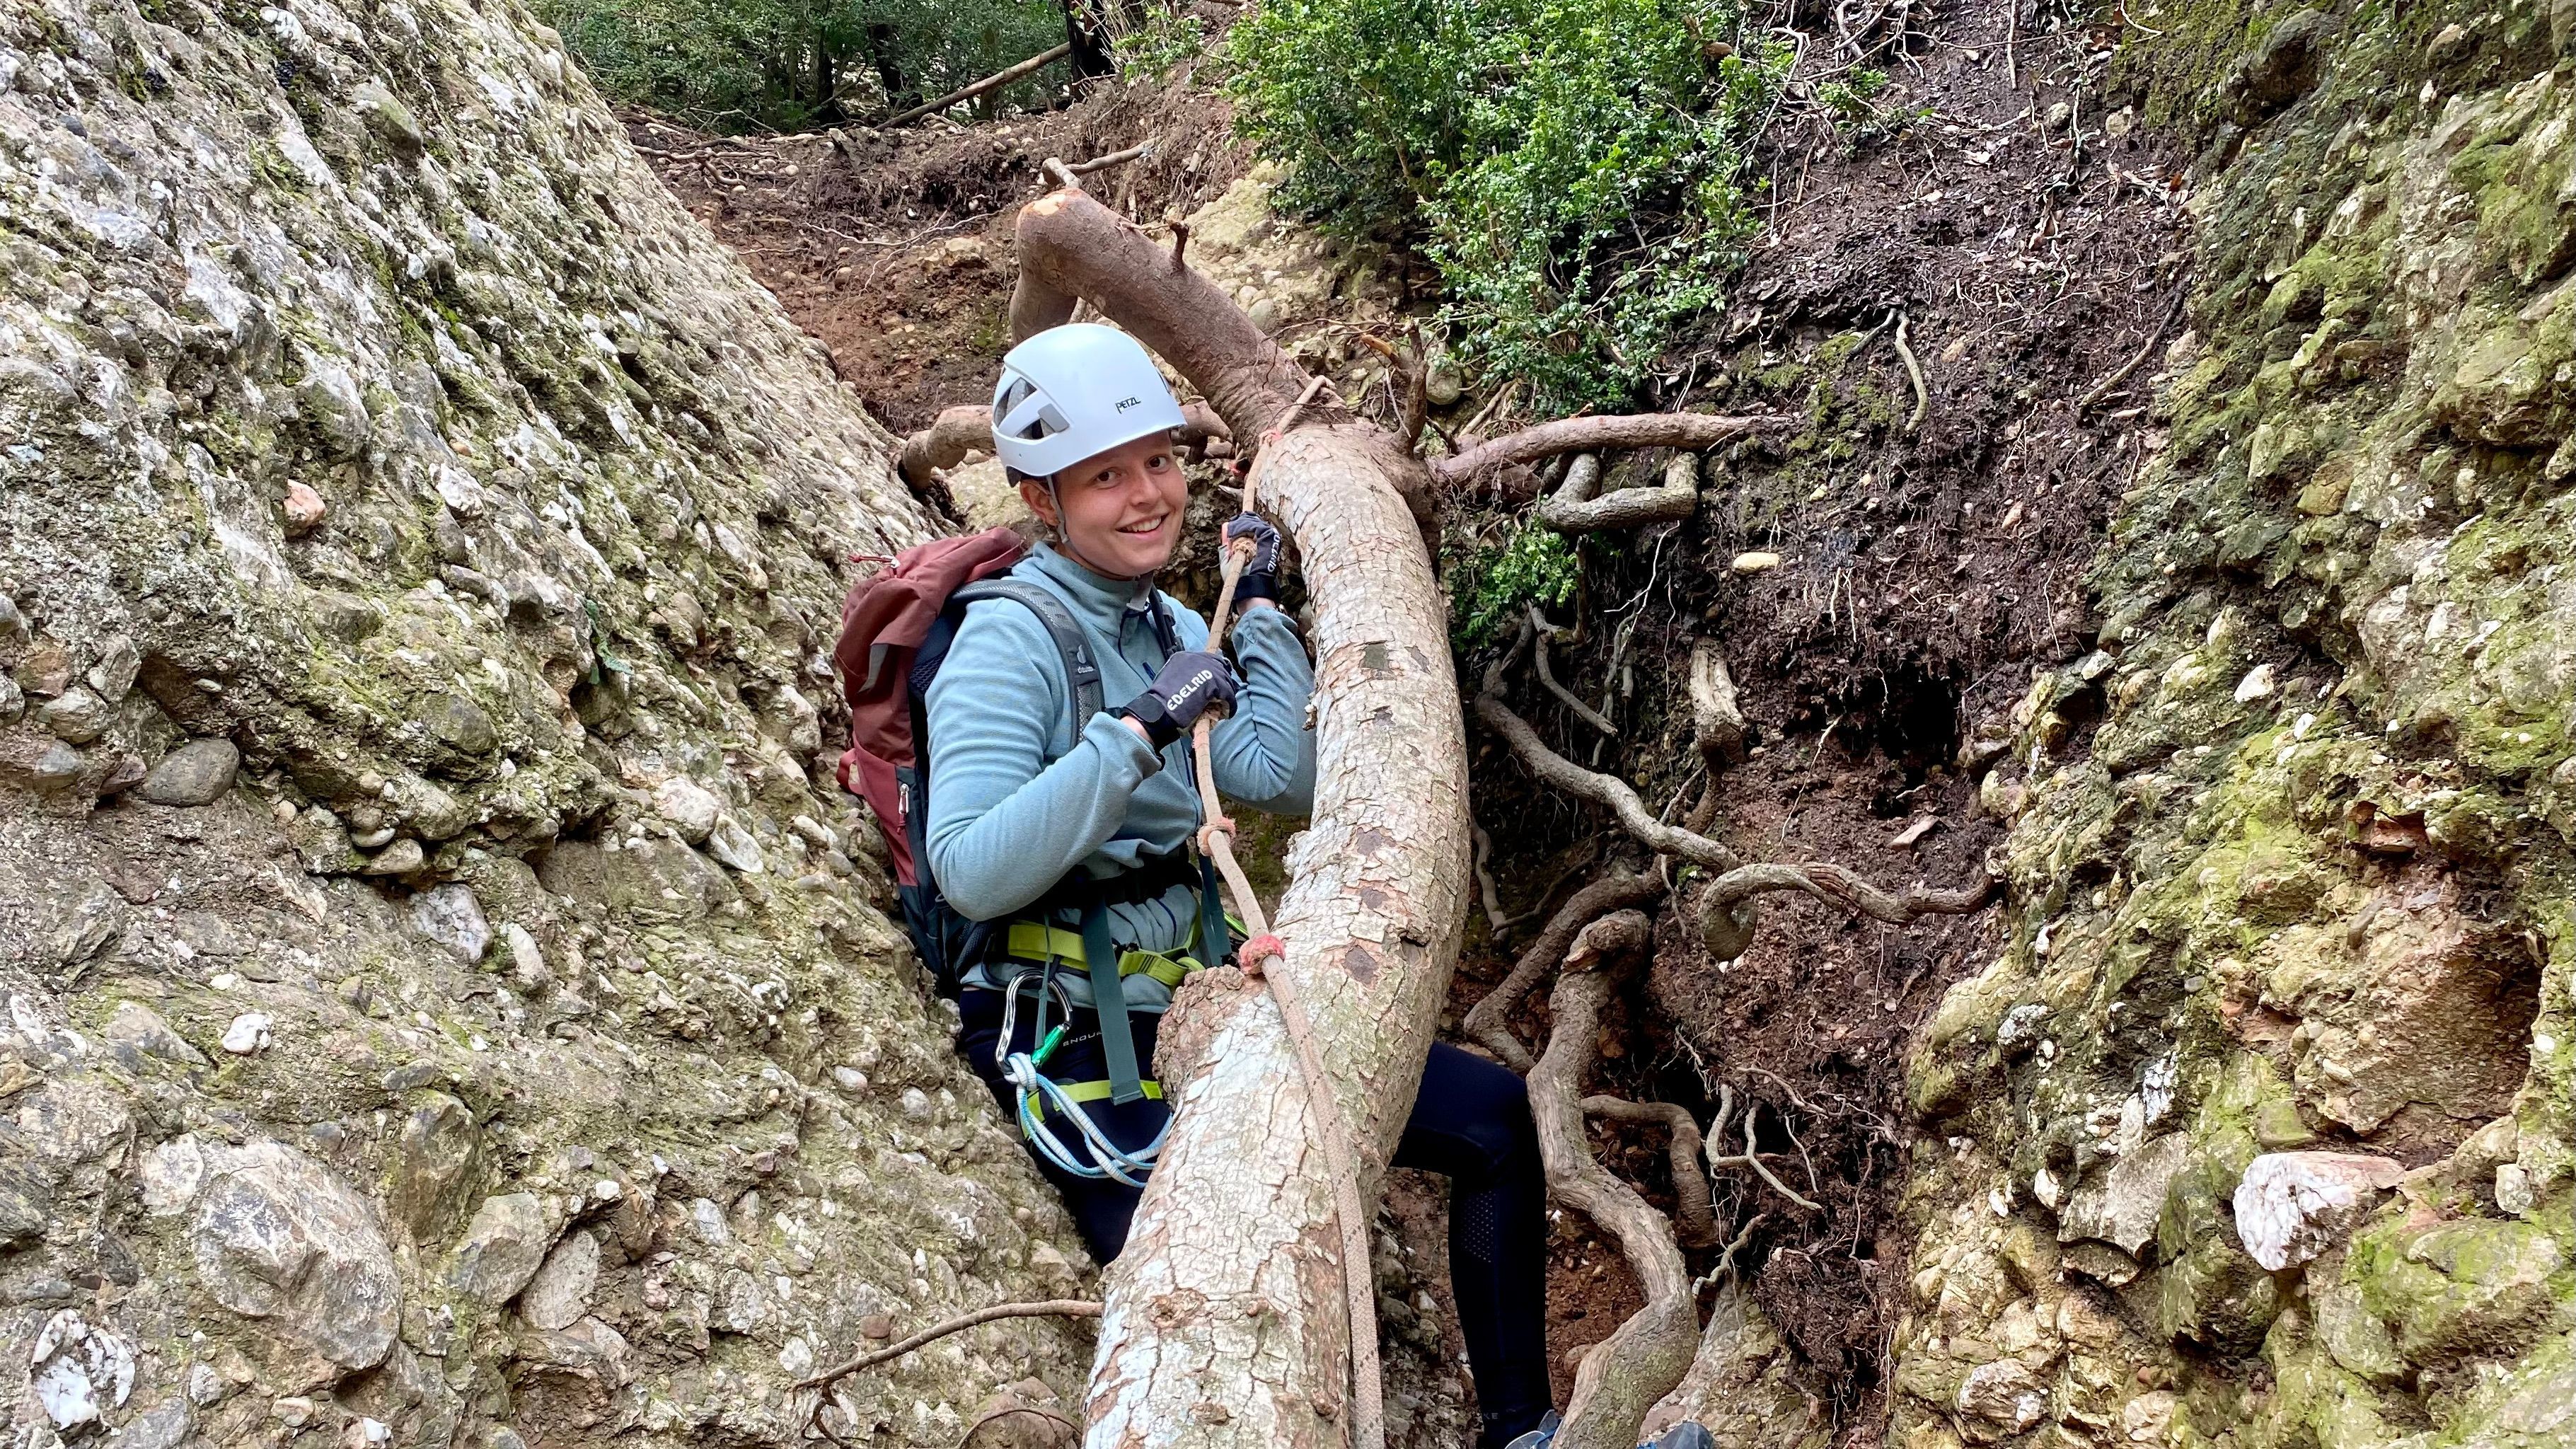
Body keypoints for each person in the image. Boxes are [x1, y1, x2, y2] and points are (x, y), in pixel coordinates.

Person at [924, 322, 1556, 1448]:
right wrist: (1135, 732)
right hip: (1073, 1028)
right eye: (1105, 476)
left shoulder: (1167, 616)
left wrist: (1259, 612)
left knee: (1492, 1116)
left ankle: (1523, 1432)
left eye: (1158, 461)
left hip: (1194, 995)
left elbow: (1284, 776)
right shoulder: (1007, 640)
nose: (1146, 496)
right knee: (1211, 1292)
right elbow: (969, 869)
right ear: (1037, 497)